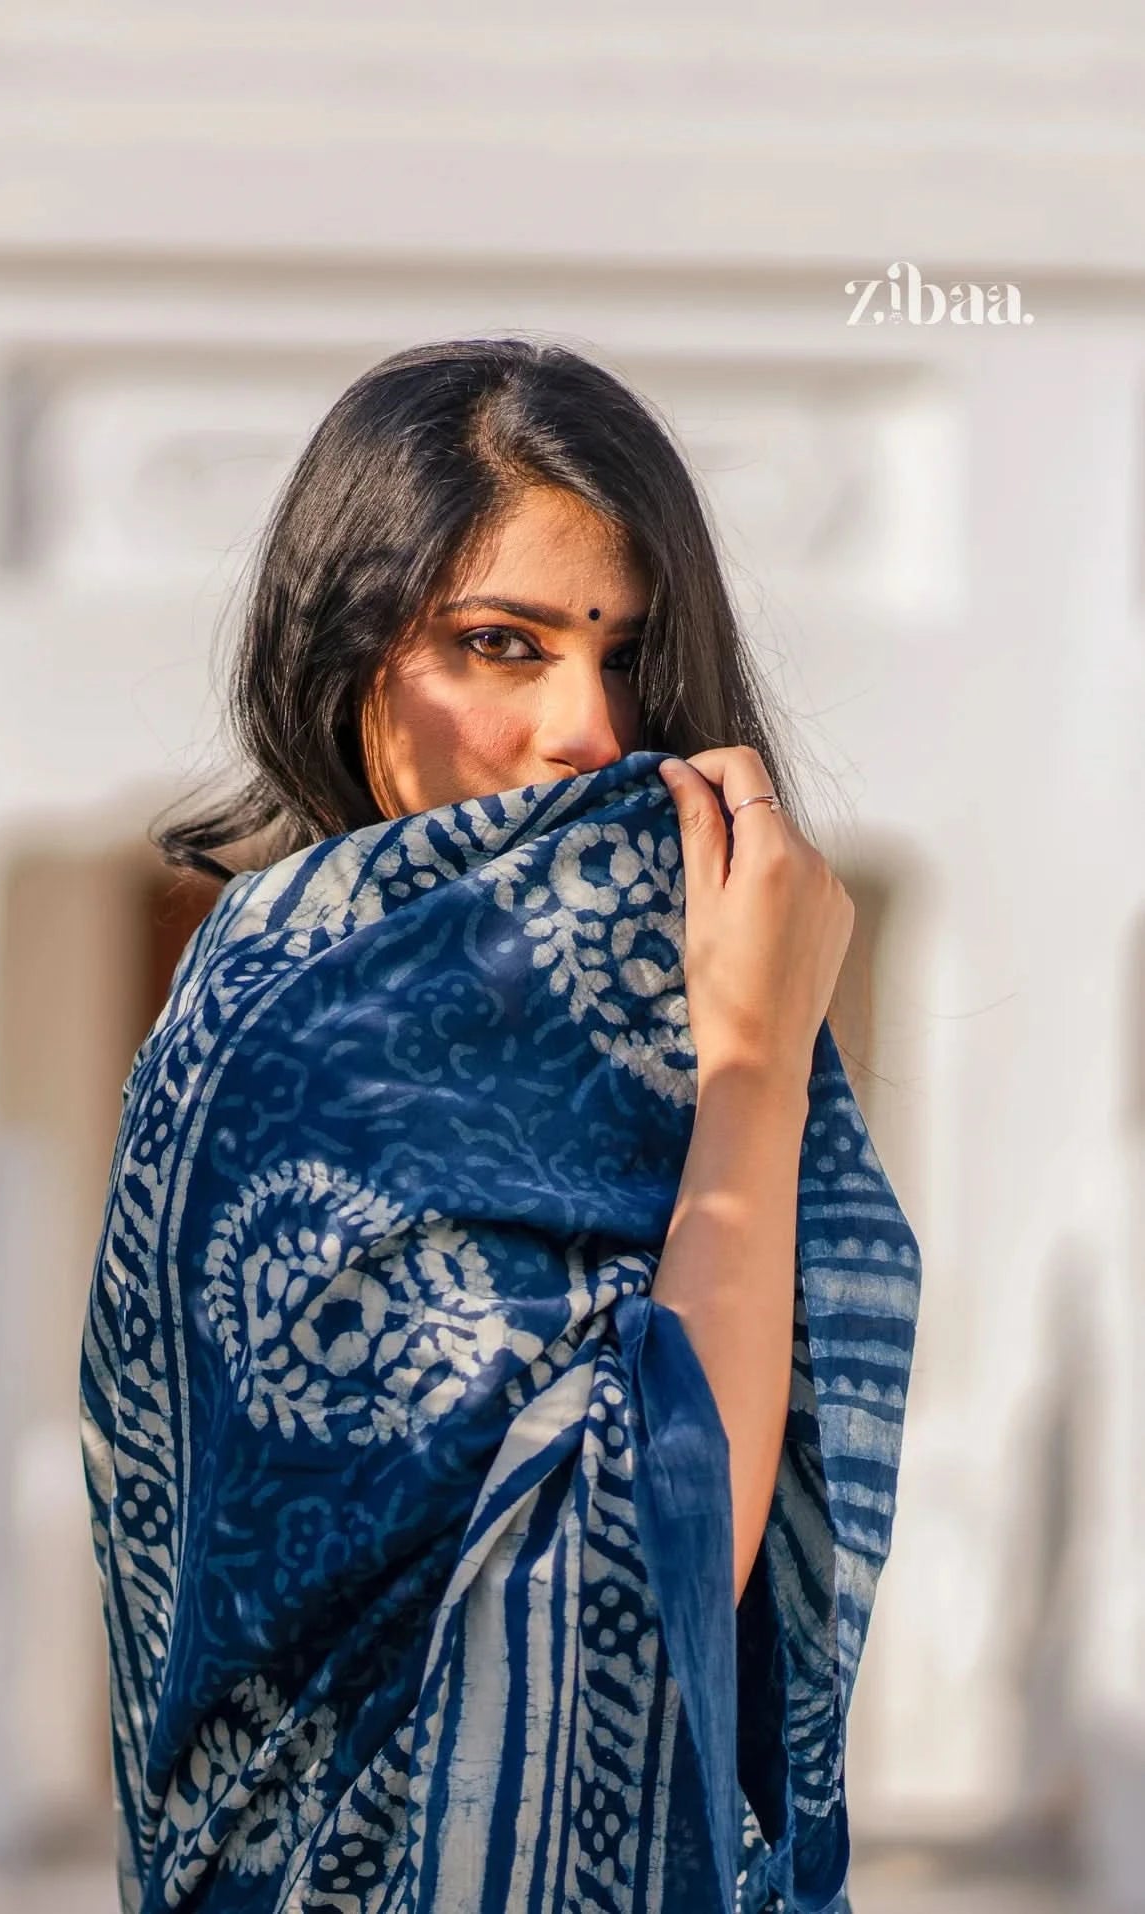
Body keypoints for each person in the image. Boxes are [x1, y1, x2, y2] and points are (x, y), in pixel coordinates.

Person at [79, 337, 921, 1913]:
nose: (586, 731)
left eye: (627, 658)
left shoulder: (628, 1031)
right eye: (501, 644)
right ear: (345, 663)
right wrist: (755, 1077)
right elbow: (641, 1567)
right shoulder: (290, 1032)